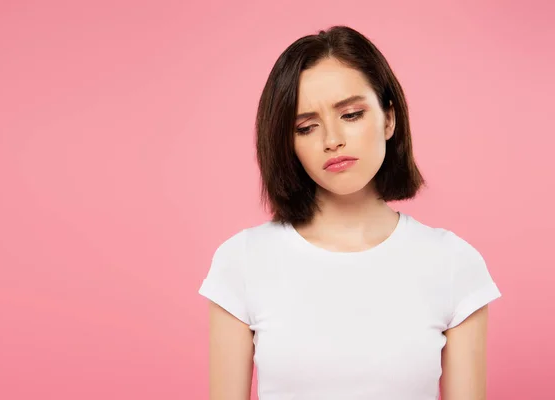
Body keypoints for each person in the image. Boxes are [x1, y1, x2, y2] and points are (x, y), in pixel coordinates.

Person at [198, 25, 502, 400]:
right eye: (307, 127)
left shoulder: (454, 263)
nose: (331, 140)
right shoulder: (242, 262)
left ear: (389, 118)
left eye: (352, 115)